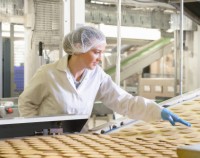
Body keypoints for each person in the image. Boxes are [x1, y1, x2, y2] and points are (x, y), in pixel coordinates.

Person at [18, 26, 191, 131]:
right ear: (78, 49)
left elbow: (123, 101)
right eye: (97, 52)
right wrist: (37, 130)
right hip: (46, 141)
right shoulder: (49, 74)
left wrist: (156, 111)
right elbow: (26, 103)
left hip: (78, 140)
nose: (100, 58)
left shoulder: (97, 75)